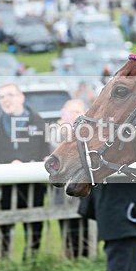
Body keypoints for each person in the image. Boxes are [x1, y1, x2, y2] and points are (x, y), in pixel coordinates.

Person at [0, 84, 50, 259]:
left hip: (33, 184)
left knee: (34, 221)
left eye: (10, 95)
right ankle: (4, 258)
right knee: (5, 222)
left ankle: (33, 257)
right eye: (1, 97)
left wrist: (27, 164)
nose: (5, 100)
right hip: (7, 185)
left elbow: (45, 152)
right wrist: (8, 164)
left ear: (21, 98)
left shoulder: (37, 122)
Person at [50, 99, 90, 259]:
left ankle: (86, 255)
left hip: (83, 187)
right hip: (62, 191)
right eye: (70, 112)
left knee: (84, 223)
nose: (74, 115)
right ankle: (70, 255)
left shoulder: (89, 132)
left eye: (77, 112)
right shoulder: (55, 132)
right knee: (66, 225)